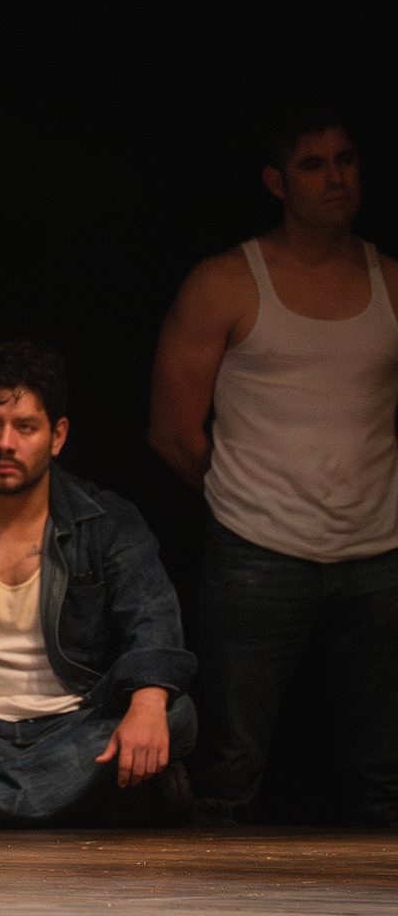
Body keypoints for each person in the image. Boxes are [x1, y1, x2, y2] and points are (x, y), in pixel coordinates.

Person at [150, 112, 398, 825]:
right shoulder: (227, 282)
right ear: (276, 182)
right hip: (257, 553)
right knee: (229, 768)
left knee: (383, 772)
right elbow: (173, 431)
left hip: (380, 554)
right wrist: (247, 502)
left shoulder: (390, 281)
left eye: (346, 159)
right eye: (314, 164)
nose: (336, 177)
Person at [0, 341, 197, 826]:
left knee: (174, 713)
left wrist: (149, 703)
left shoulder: (107, 521)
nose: (5, 443)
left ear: (57, 435)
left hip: (74, 724)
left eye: (25, 427)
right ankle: (50, 799)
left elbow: (154, 621)